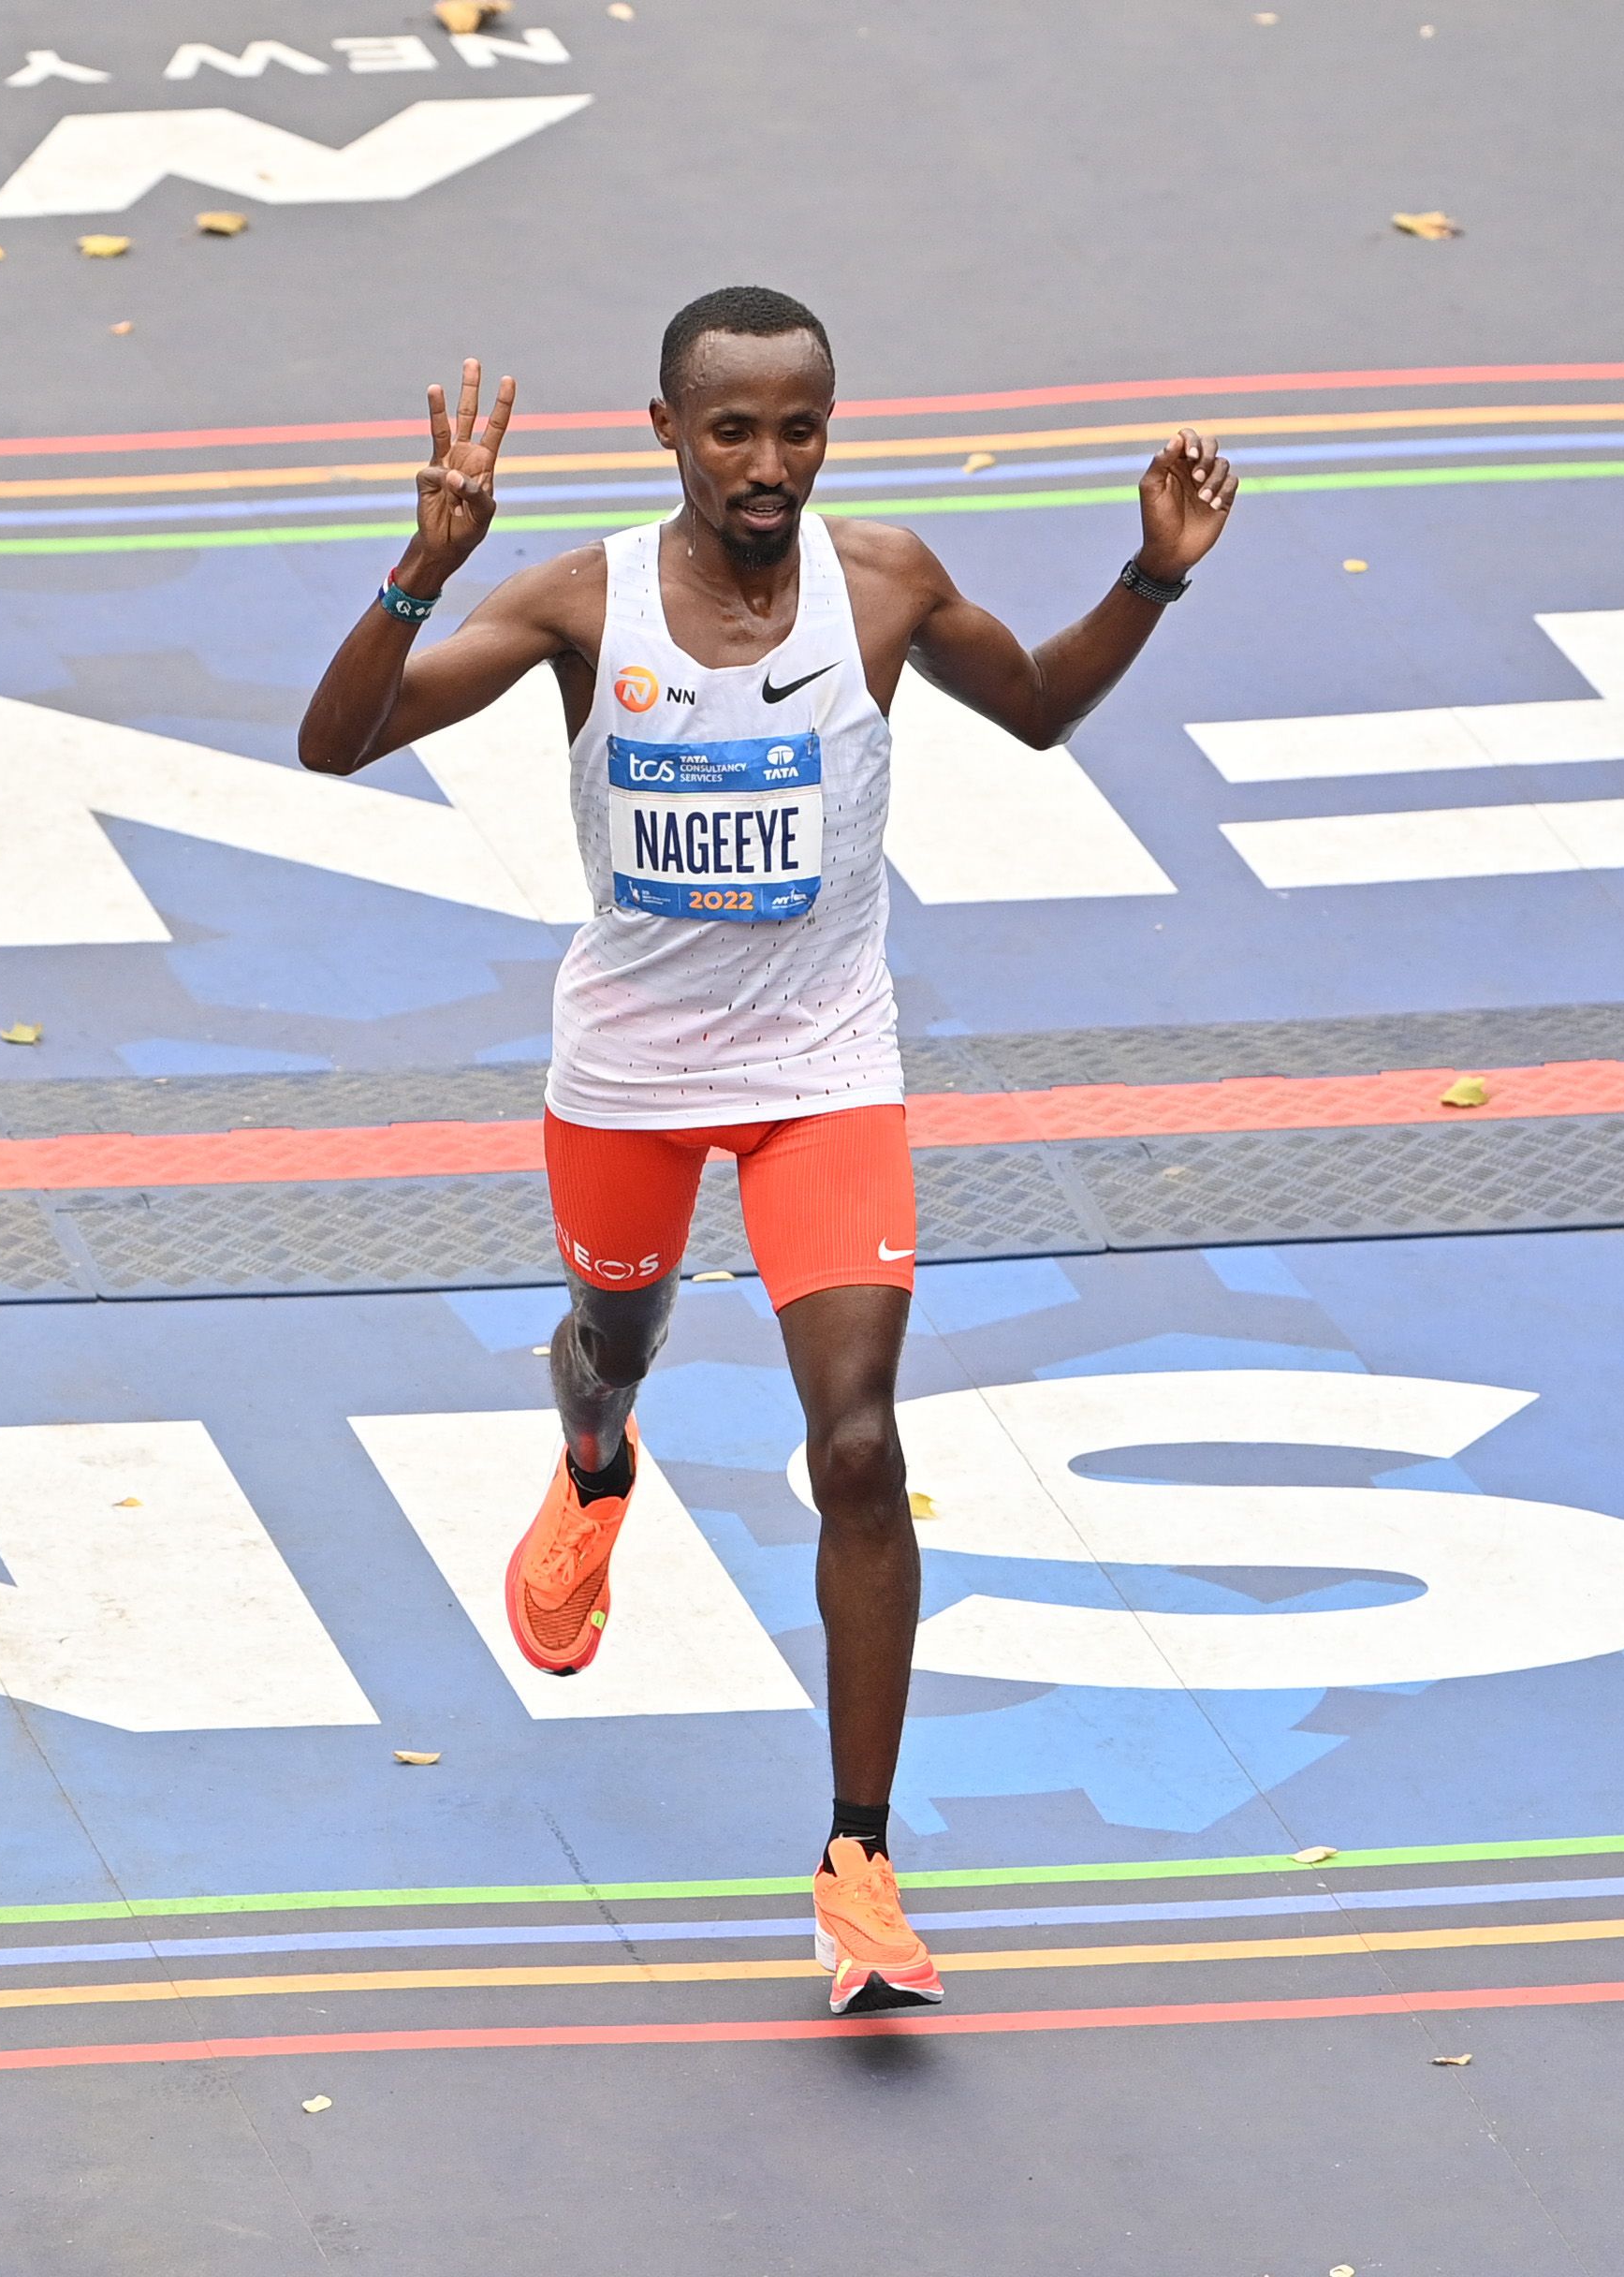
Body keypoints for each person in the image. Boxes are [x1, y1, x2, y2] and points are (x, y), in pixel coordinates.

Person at [300, 286, 1236, 2011]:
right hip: (633, 1073)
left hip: (825, 1065)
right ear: (666, 431)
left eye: (798, 428)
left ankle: (859, 1861)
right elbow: (334, 739)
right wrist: (418, 570)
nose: (768, 463)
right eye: (730, 430)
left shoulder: (880, 583)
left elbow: (1035, 708)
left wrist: (1154, 575)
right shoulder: (582, 601)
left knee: (860, 1435)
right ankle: (594, 1459)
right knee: (616, 1339)